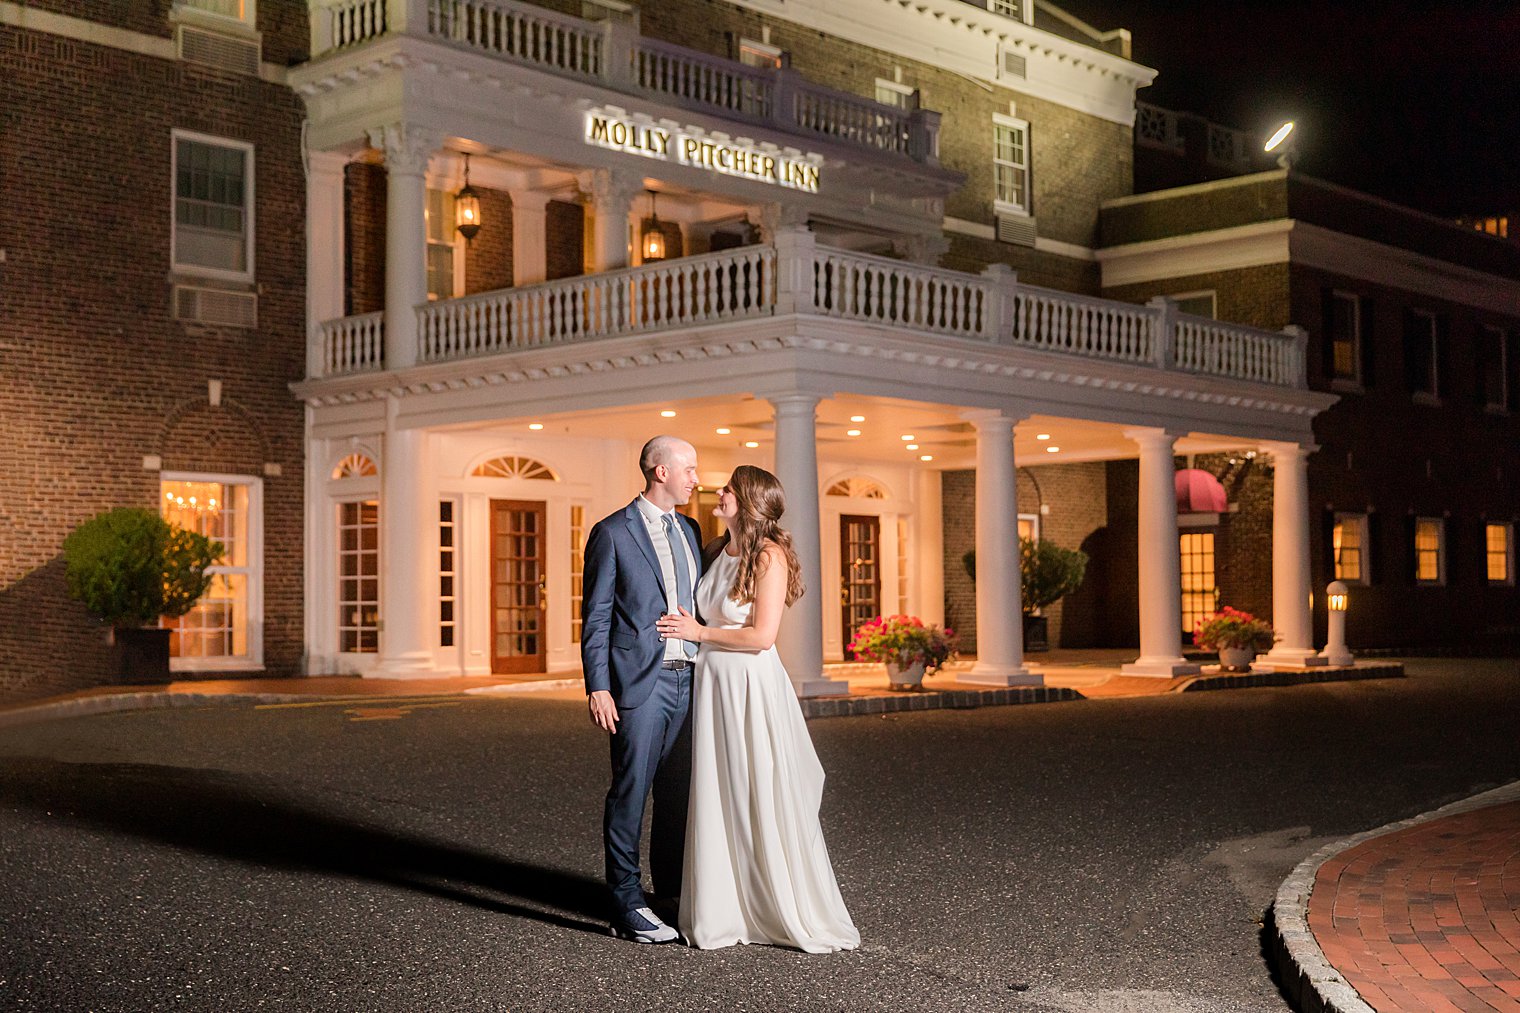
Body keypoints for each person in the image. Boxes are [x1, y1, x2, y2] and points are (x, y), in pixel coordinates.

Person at [655, 465, 860, 953]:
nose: (718, 492)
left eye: (728, 488)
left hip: (749, 685)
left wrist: (699, 633)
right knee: (717, 790)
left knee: (754, 788)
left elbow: (762, 636)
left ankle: (770, 904)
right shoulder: (715, 550)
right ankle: (721, 905)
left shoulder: (769, 556)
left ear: (747, 502)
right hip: (713, 683)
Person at [582, 435, 703, 944]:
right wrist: (599, 687)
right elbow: (597, 617)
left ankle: (670, 896)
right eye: (689, 469)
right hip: (640, 684)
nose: (696, 478)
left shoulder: (693, 529)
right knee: (630, 795)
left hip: (691, 683)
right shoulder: (612, 532)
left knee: (678, 798)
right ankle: (627, 904)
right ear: (660, 472)